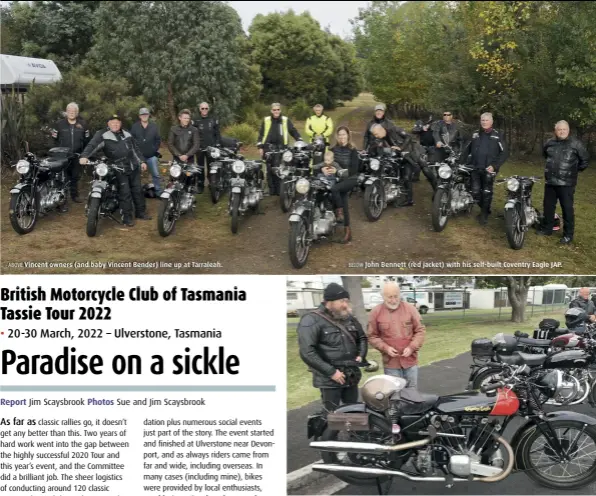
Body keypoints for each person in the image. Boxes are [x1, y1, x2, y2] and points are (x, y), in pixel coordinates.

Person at [297, 283, 368, 412]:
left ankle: (355, 433)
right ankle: (325, 433)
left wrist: (361, 355)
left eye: (346, 301)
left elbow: (362, 338)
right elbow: (307, 352)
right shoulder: (311, 320)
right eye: (342, 301)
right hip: (329, 379)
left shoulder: (348, 318)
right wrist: (331, 372)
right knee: (331, 416)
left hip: (351, 375)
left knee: (354, 412)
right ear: (329, 301)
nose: (345, 305)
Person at [80, 115, 150, 227]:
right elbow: (92, 145)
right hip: (118, 167)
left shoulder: (127, 133)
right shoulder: (102, 134)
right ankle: (127, 218)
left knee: (137, 190)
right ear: (108, 123)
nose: (115, 124)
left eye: (117, 122)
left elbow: (135, 149)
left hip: (133, 166)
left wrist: (142, 161)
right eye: (112, 122)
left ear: (120, 123)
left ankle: (140, 213)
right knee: (125, 193)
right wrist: (84, 156)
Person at [537, 120, 590, 244]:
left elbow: (585, 160)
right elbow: (545, 155)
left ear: (568, 130)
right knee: (548, 207)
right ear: (555, 131)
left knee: (567, 209)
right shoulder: (549, 143)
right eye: (559, 129)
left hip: (566, 183)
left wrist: (572, 171)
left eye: (564, 129)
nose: (561, 131)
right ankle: (547, 229)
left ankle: (568, 235)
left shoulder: (576, 144)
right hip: (550, 182)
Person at [367, 282, 426, 388]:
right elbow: (372, 336)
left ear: (400, 294)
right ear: (383, 296)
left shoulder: (410, 309)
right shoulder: (375, 312)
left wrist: (412, 347)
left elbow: (420, 331)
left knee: (412, 394)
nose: (393, 300)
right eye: (390, 297)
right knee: (395, 394)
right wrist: (386, 348)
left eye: (396, 296)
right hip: (391, 364)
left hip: (410, 362)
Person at [461, 112, 508, 225]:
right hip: (475, 167)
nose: (484, 122)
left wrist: (495, 166)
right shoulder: (475, 134)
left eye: (486, 120)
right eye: (482, 120)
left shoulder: (498, 135)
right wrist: (461, 162)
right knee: (475, 192)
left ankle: (484, 215)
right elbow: (466, 149)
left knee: (486, 191)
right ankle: (485, 208)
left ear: (491, 122)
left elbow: (504, 153)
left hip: (489, 169)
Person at [256, 103, 301, 196]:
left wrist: (300, 140)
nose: (276, 111)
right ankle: (272, 190)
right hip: (268, 147)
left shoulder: (285, 120)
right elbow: (261, 134)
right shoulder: (266, 120)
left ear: (280, 110)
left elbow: (293, 130)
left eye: (278, 109)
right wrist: (260, 147)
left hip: (282, 147)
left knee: (281, 168)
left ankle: (280, 189)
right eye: (274, 110)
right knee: (269, 168)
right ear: (271, 111)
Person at [50, 102, 90, 204]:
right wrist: (55, 152)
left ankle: (74, 195)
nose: (72, 113)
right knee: (63, 176)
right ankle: (62, 197)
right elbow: (53, 139)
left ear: (77, 113)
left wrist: (85, 154)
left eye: (74, 111)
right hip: (62, 156)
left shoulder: (83, 124)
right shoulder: (59, 124)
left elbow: (88, 140)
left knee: (75, 176)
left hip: (77, 154)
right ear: (66, 112)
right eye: (70, 111)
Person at [369, 124, 416, 206]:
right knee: (389, 172)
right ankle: (390, 193)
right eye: (374, 135)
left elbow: (409, 137)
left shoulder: (393, 129)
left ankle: (409, 200)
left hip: (407, 155)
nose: (376, 136)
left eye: (376, 134)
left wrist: (401, 148)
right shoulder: (380, 138)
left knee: (406, 177)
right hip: (395, 157)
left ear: (381, 129)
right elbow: (374, 147)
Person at [330, 126, 360, 243]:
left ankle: (339, 213)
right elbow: (327, 162)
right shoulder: (333, 149)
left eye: (344, 134)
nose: (342, 137)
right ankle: (347, 231)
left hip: (350, 179)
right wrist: (325, 169)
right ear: (337, 136)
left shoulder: (353, 150)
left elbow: (354, 169)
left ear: (348, 135)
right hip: (337, 178)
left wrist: (338, 171)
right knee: (342, 200)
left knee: (335, 189)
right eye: (340, 135)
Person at [130, 108, 162, 196]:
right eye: (142, 115)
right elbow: (131, 141)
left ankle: (158, 192)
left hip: (151, 156)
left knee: (156, 174)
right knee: (136, 176)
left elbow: (158, 140)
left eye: (146, 114)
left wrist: (153, 149)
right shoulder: (134, 127)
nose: (144, 116)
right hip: (138, 157)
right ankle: (137, 193)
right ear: (139, 116)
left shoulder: (154, 126)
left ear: (148, 115)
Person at [192, 102, 221, 194]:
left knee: (211, 166)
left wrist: (217, 144)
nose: (204, 110)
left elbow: (217, 133)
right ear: (199, 109)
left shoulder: (213, 119)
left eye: (206, 108)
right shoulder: (195, 120)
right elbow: (192, 134)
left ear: (208, 109)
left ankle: (211, 184)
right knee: (200, 167)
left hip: (211, 148)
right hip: (200, 148)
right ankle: (200, 185)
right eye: (202, 108)